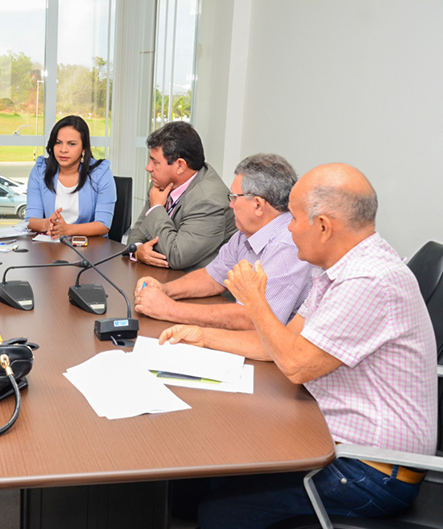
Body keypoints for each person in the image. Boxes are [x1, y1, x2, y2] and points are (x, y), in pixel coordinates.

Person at [160, 163, 437, 528]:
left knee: (221, 511)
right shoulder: (337, 269)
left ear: (323, 226)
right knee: (202, 478)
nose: (288, 228)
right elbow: (283, 342)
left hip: (370, 470)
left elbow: (294, 365)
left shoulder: (369, 280)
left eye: (292, 217)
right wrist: (201, 336)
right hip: (328, 435)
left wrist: (254, 301)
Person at [134, 153, 314, 329]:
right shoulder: (245, 233)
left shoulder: (287, 246)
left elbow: (253, 320)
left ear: (258, 205)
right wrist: (165, 290)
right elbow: (213, 276)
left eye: (234, 197)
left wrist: (169, 309)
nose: (230, 205)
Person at [127, 121, 237, 271]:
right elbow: (137, 233)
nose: (148, 167)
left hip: (201, 288)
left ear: (180, 166)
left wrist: (157, 208)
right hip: (164, 276)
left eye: (155, 162)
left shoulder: (209, 200)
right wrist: (138, 250)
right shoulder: (160, 183)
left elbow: (177, 255)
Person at [25, 115, 116, 237]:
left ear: (83, 148)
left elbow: (103, 225)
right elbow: (31, 220)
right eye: (58, 143)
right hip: (51, 247)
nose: (63, 149)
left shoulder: (100, 172)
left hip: (91, 249)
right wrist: (47, 224)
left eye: (71, 144)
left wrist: (67, 229)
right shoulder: (40, 170)